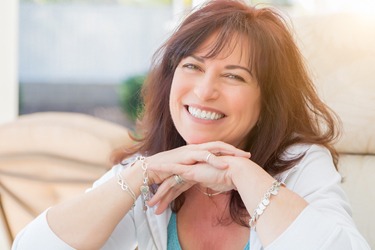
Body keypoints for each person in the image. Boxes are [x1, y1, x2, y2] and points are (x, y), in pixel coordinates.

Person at [12, 0, 370, 249]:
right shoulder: (152, 169)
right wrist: (141, 173)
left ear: (268, 101)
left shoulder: (302, 163)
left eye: (234, 76)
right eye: (193, 67)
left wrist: (241, 174)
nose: (204, 91)